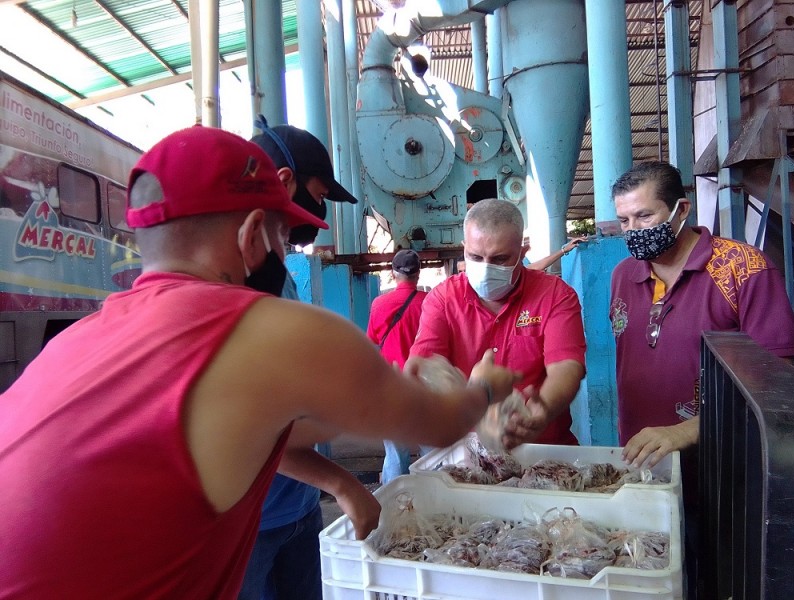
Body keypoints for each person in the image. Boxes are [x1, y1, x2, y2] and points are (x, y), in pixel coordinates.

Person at [0, 126, 520, 599]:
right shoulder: (260, 328)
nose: (286, 250)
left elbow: (276, 430)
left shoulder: (76, 343)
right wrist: (484, 388)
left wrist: (377, 405)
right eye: (282, 237)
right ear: (252, 235)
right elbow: (440, 425)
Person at [609, 160, 794, 597]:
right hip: (647, 466)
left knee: (718, 576)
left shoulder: (742, 268)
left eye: (645, 216)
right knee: (654, 575)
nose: (633, 229)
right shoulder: (624, 275)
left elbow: (777, 383)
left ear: (681, 210)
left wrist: (688, 430)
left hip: (724, 470)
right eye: (624, 220)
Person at [237, 121, 364, 600]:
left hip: (296, 506)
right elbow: (251, 422)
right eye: (315, 196)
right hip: (248, 520)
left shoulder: (278, 271)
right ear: (283, 181)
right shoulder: (229, 280)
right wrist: (343, 484)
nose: (313, 216)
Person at [410, 198, 587, 449]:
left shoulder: (555, 295)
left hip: (543, 447)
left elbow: (566, 367)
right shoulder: (442, 300)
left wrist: (542, 410)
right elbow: (424, 366)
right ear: (464, 249)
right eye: (475, 256)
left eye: (500, 259)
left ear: (522, 253)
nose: (486, 268)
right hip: (468, 453)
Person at [365, 249, 428, 483]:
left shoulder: (379, 304)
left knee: (394, 452)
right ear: (418, 275)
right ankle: (432, 498)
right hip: (424, 387)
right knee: (430, 451)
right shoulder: (429, 303)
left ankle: (393, 504)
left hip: (390, 387)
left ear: (393, 274)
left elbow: (372, 339)